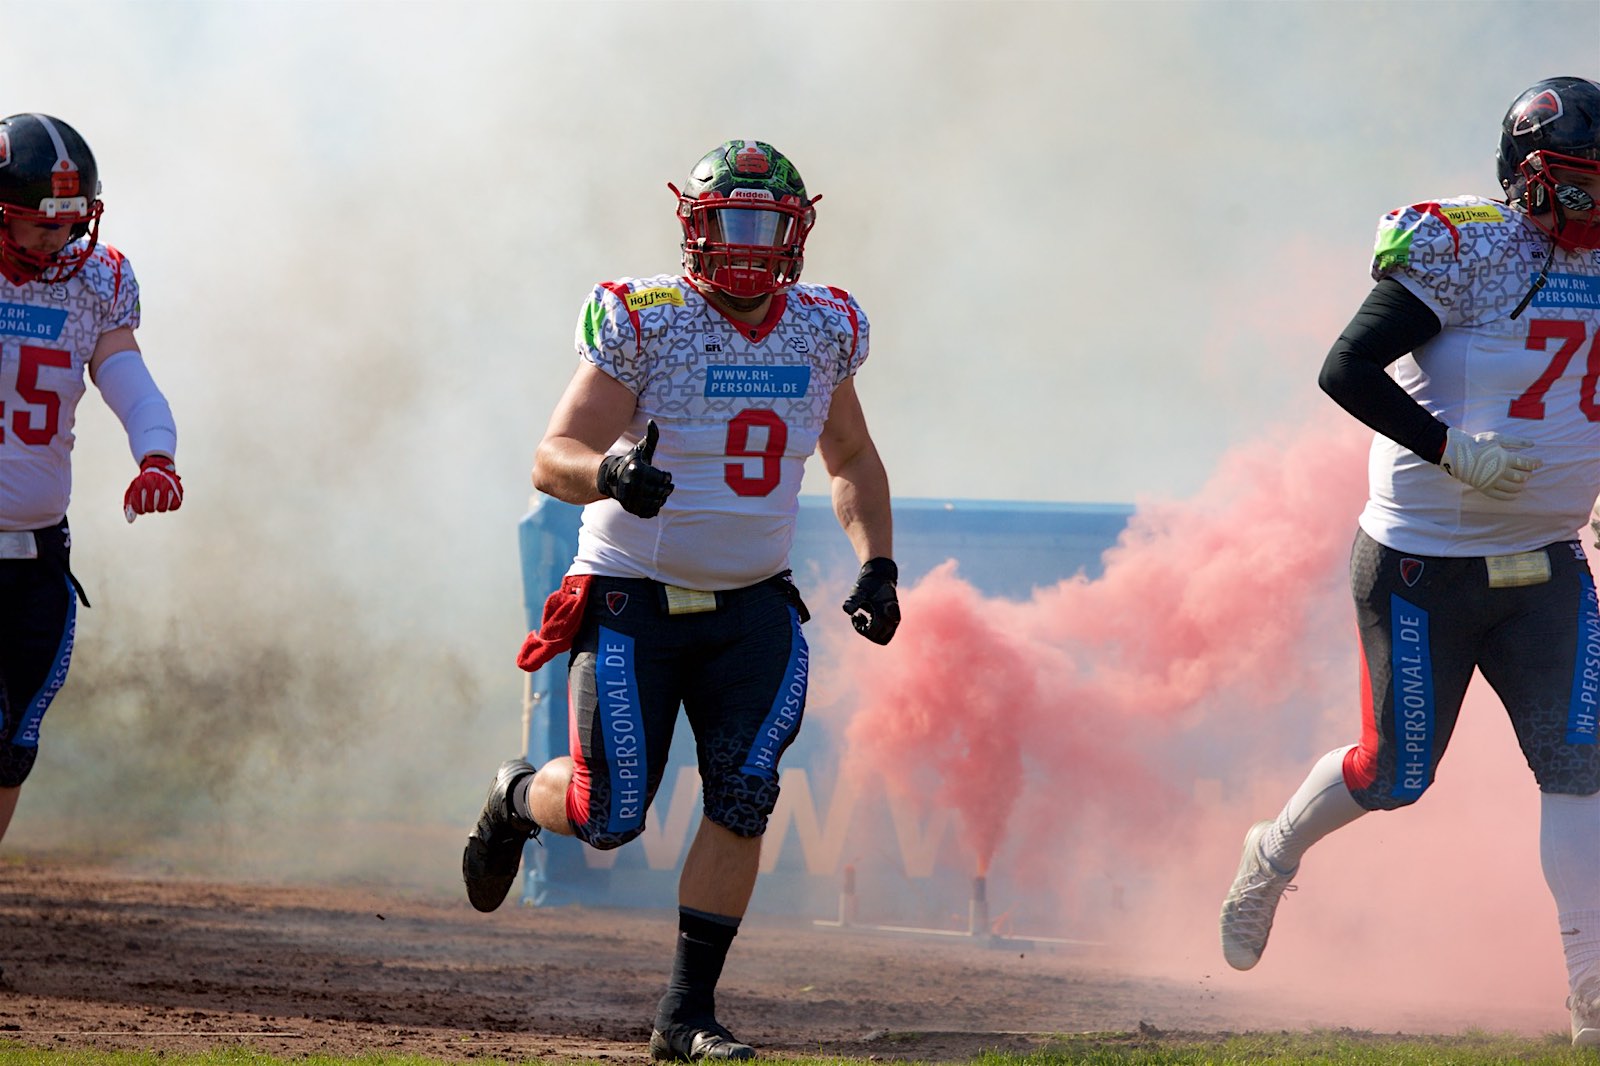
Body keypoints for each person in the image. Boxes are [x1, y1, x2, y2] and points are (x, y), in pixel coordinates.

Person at [462, 139, 899, 1061]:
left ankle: (685, 1015)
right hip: (633, 600)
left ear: (797, 232)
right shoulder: (647, 317)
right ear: (696, 229)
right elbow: (552, 456)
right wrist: (613, 470)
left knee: (745, 793)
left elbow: (850, 455)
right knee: (612, 815)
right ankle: (513, 797)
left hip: (752, 608)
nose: (747, 245)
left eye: (764, 225)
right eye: (730, 223)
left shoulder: (822, 326)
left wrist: (878, 564)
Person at [1218, 76, 1600, 1047]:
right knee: (1396, 774)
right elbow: (1344, 366)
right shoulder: (1469, 242)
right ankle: (1271, 852)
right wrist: (1451, 449)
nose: (1592, 208)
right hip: (1423, 562)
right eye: (1576, 186)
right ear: (1523, 180)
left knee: (1579, 765)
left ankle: (1590, 990)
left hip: (1545, 561)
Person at [0, 113, 183, 846]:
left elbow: (126, 375)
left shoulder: (96, 280)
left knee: (11, 752)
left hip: (39, 559)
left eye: (70, 225)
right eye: (38, 225)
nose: (58, 242)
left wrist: (157, 454)